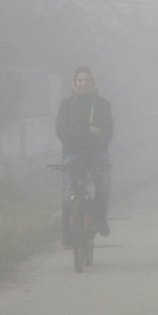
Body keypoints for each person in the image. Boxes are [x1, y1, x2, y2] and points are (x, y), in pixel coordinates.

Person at [55, 66, 114, 249]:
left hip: (97, 153)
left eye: (87, 80)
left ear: (92, 82)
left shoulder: (102, 104)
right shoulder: (66, 104)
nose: (83, 84)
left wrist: (77, 133)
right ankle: (66, 234)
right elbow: (61, 132)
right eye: (80, 80)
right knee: (68, 194)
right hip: (72, 153)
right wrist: (88, 130)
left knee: (103, 184)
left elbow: (107, 134)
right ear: (75, 83)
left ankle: (100, 217)